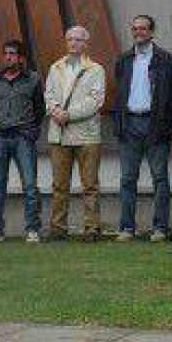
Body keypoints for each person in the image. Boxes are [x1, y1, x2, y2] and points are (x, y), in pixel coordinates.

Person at [113, 15, 172, 242]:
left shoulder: (164, 59)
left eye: (143, 28)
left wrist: (168, 125)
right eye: (135, 29)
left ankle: (160, 228)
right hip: (129, 124)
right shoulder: (124, 60)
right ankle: (127, 228)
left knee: (160, 178)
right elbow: (119, 94)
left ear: (152, 32)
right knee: (127, 179)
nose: (138, 32)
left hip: (155, 125)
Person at [44, 25, 106, 241]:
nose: (73, 43)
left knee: (89, 185)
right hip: (59, 134)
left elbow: (95, 101)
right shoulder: (55, 68)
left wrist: (68, 114)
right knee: (59, 185)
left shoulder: (96, 69)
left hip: (87, 135)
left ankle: (91, 228)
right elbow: (49, 94)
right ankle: (58, 228)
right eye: (70, 39)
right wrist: (55, 111)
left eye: (78, 39)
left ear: (86, 43)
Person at [0, 40, 45, 244]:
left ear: (21, 58)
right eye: (6, 53)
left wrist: (31, 132)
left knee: (30, 185)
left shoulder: (33, 79)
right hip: (0, 138)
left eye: (13, 53)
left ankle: (33, 229)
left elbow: (39, 110)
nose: (8, 57)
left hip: (23, 138)